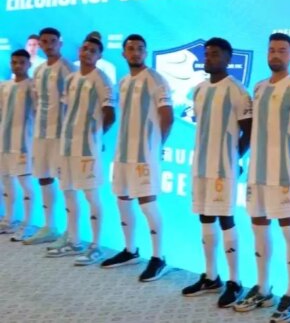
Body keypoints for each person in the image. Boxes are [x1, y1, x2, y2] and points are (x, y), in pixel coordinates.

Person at [233, 33, 290, 322]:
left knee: (289, 231)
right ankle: (263, 288)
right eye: (272, 50)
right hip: (257, 171)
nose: (276, 55)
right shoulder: (258, 87)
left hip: (283, 174)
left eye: (282, 50)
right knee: (258, 229)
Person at [181, 37, 252, 308]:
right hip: (200, 165)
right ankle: (211, 276)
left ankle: (235, 281)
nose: (209, 58)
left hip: (223, 168)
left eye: (215, 54)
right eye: (207, 54)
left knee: (225, 219)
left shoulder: (237, 90)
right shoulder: (199, 90)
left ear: (227, 58)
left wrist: (233, 158)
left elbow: (249, 131)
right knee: (205, 217)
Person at [101, 34, 174, 281]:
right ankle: (130, 250)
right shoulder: (122, 82)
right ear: (124, 53)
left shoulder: (156, 79)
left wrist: (156, 146)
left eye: (140, 49)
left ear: (146, 52)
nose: (135, 52)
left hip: (145, 155)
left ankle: (158, 257)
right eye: (131, 49)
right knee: (122, 200)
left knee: (147, 204)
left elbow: (167, 117)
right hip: (123, 154)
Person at [49, 36, 115, 265]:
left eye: (93, 50)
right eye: (85, 48)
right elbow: (67, 111)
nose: (87, 52)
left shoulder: (102, 80)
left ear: (99, 56)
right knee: (68, 191)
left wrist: (95, 136)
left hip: (87, 149)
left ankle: (96, 246)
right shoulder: (71, 78)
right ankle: (73, 240)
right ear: (79, 50)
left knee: (90, 195)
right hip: (66, 147)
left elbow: (110, 114)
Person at [24, 27, 74, 247]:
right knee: (43, 177)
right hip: (40, 134)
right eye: (44, 41)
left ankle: (71, 232)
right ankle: (49, 226)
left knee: (65, 181)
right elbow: (36, 103)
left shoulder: (67, 68)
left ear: (60, 43)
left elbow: (73, 104)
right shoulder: (38, 70)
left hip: (60, 135)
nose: (48, 45)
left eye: (52, 41)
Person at [0, 50, 38, 241]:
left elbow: (38, 114)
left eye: (22, 62)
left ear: (29, 64)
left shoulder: (32, 86)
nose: (18, 66)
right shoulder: (4, 86)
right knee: (6, 181)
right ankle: (9, 219)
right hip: (4, 143)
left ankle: (27, 224)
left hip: (23, 143)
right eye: (14, 62)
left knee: (25, 184)